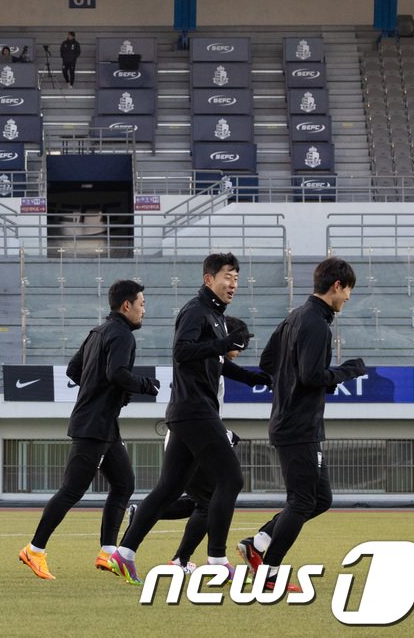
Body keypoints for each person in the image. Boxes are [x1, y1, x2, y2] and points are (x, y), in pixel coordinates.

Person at [106, 253, 253, 586]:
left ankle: (124, 553)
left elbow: (216, 362)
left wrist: (254, 378)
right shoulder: (196, 311)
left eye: (237, 278)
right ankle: (216, 559)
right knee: (229, 480)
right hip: (194, 410)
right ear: (208, 279)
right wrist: (223, 343)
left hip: (188, 412)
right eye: (227, 277)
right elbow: (182, 351)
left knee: (168, 489)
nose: (233, 284)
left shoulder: (214, 315)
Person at [235, 257, 366, 590]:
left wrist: (288, 380)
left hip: (292, 422)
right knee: (303, 501)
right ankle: (269, 574)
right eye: (349, 290)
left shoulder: (295, 317)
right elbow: (311, 376)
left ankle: (260, 541)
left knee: (319, 499)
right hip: (299, 426)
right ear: (337, 286)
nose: (348, 298)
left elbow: (267, 362)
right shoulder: (317, 324)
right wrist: (349, 370)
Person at [19, 279, 157, 581]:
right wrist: (145, 385)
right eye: (142, 304)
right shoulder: (121, 335)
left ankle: (108, 551)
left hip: (104, 424)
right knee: (72, 490)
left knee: (124, 484)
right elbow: (117, 373)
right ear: (126, 306)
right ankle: (34, 549)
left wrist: (101, 392)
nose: (144, 310)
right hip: (94, 426)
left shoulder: (98, 332)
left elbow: (73, 369)